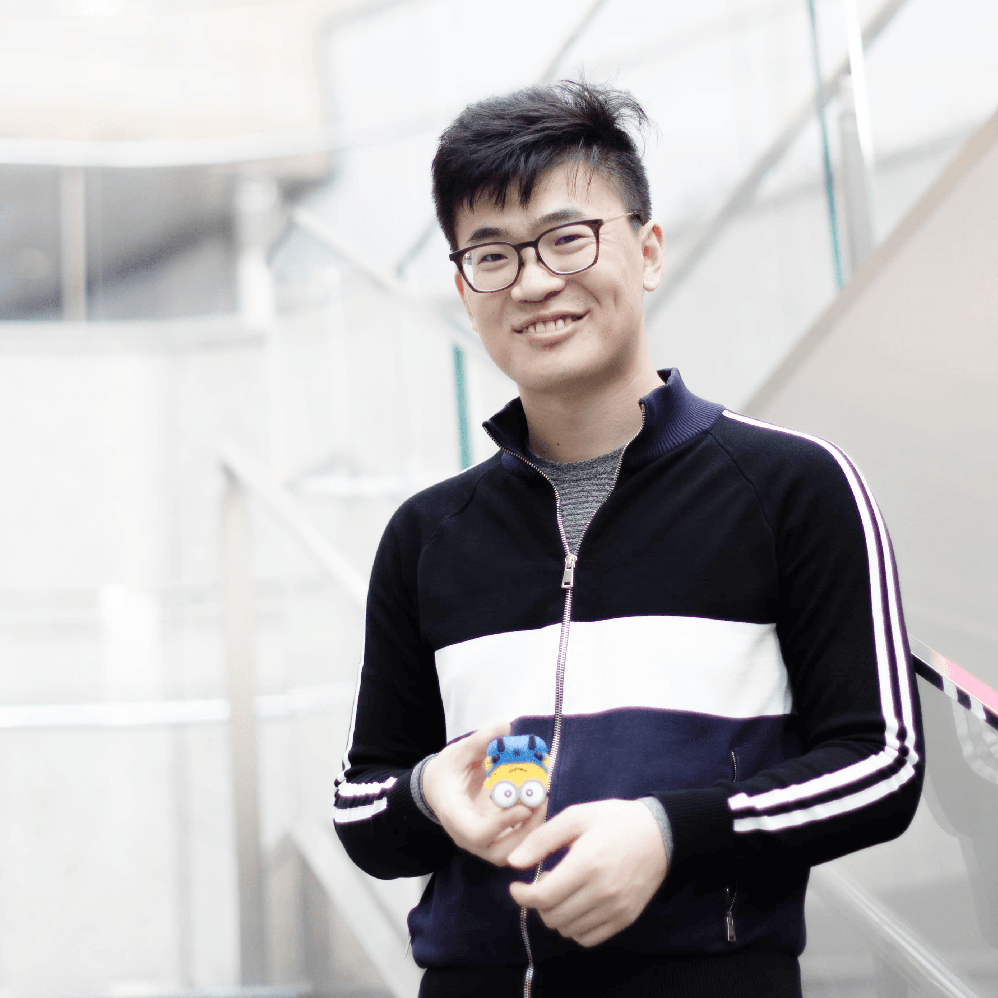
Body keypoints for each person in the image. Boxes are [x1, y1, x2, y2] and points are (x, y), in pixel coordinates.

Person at [333, 81, 923, 998]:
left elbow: (882, 765)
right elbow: (361, 802)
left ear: (647, 251)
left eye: (567, 238)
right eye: (491, 254)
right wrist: (428, 797)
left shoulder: (793, 488)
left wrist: (669, 833)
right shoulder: (426, 535)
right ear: (463, 289)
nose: (533, 281)